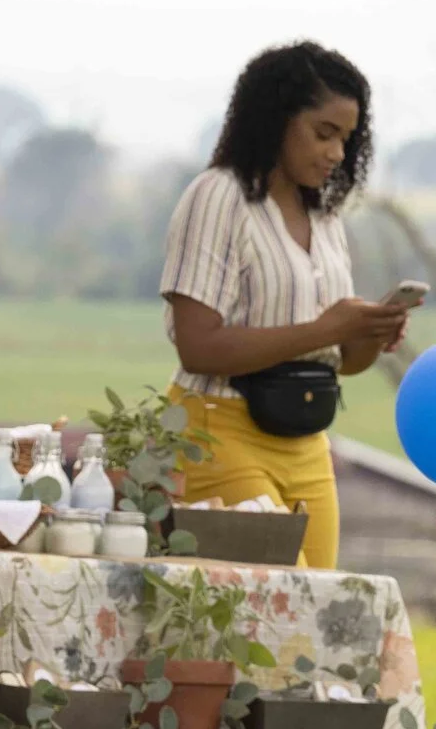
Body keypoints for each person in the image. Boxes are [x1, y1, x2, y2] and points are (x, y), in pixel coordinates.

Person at [159, 41, 406, 569]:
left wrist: (366, 333)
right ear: (275, 121)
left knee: (313, 620)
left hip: (306, 440)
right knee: (261, 608)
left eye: (347, 138)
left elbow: (342, 360)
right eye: (324, 133)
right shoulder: (218, 196)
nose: (338, 153)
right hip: (217, 429)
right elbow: (198, 346)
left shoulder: (325, 215)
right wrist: (323, 328)